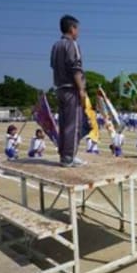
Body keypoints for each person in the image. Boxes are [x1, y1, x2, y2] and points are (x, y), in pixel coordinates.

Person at [50, 15, 87, 167]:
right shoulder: (72, 45)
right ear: (72, 28)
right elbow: (76, 68)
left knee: (64, 124)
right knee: (74, 124)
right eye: (77, 28)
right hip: (71, 89)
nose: (78, 32)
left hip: (59, 88)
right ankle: (69, 157)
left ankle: (64, 154)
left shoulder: (56, 45)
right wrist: (81, 89)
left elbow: (53, 66)